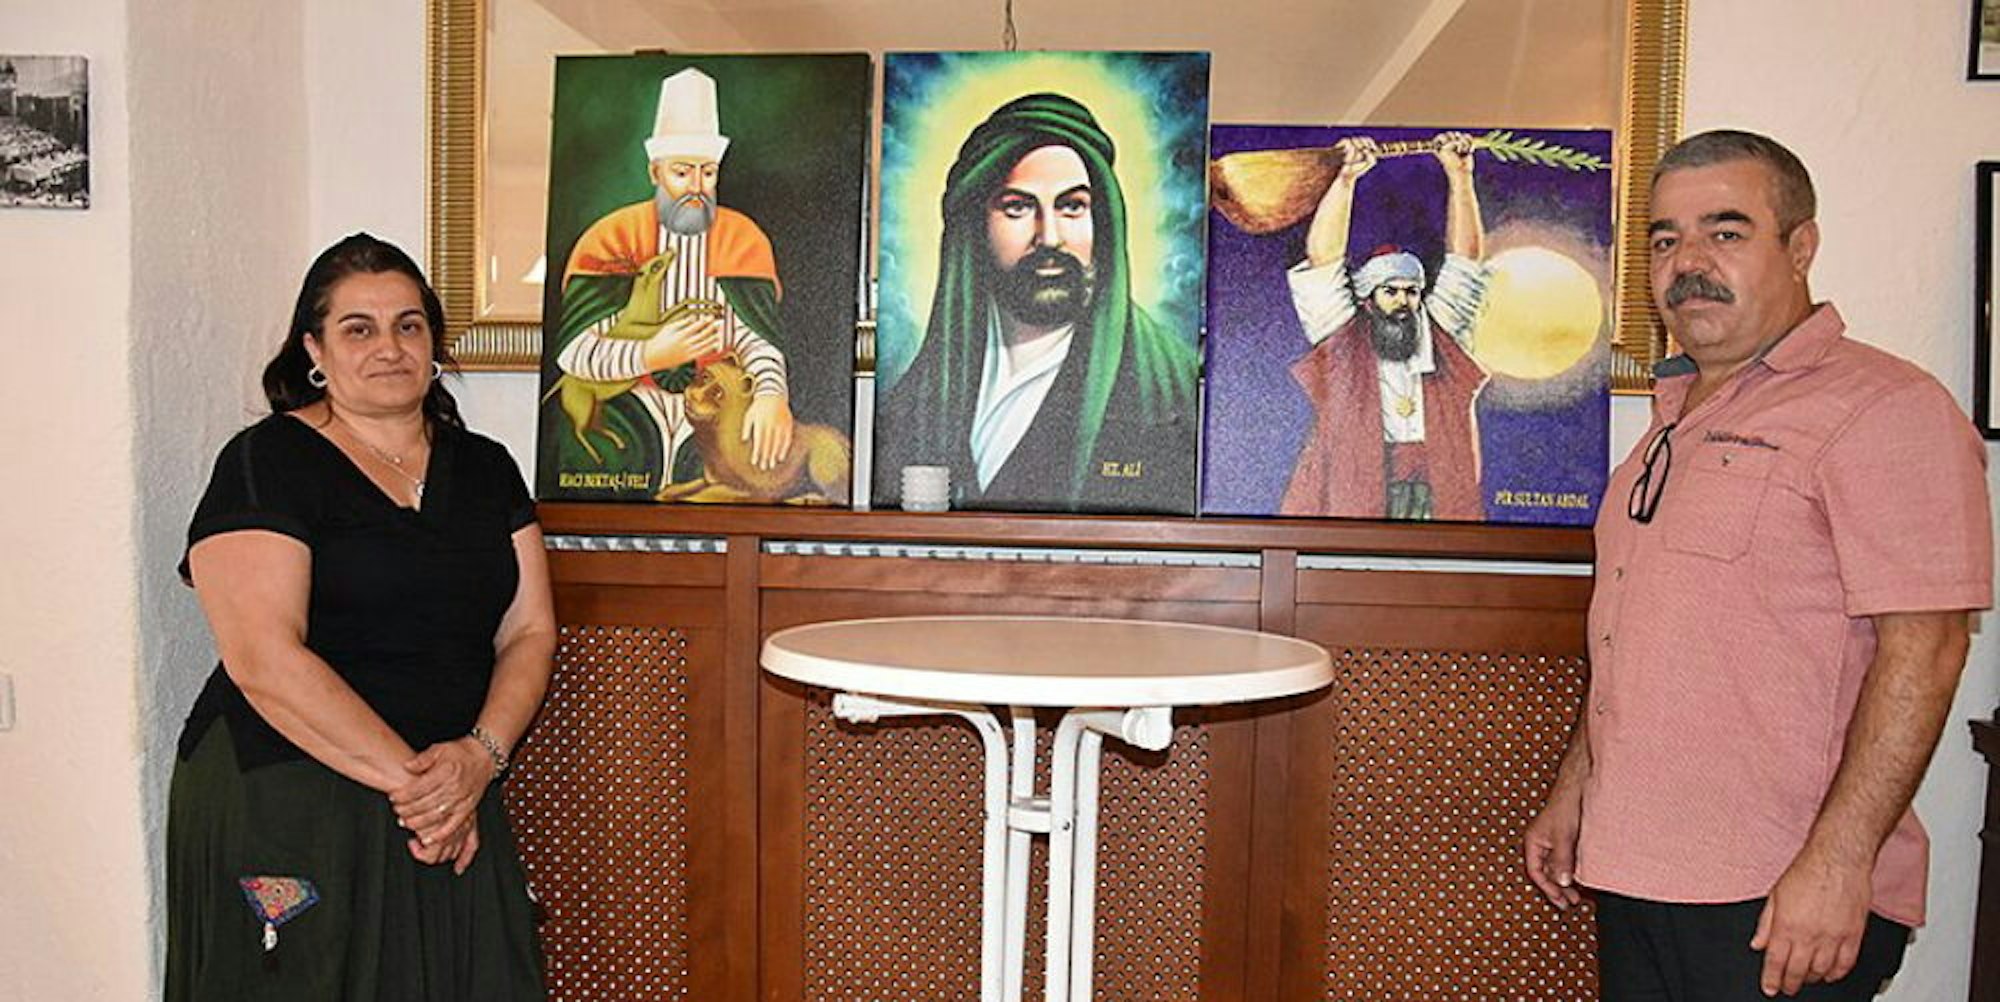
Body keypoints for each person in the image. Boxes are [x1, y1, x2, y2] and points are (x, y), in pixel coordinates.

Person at [1521, 130, 1991, 1000]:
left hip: (1779, 894)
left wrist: (1839, 863)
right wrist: (1576, 784)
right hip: (1638, 870)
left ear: (1801, 247)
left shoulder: (1887, 408)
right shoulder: (1667, 423)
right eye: (1666, 239)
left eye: (1726, 232)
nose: (1688, 262)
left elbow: (1927, 650)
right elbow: (1637, 632)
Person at [166, 234, 553, 1000]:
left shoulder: (487, 468)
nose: (389, 347)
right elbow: (263, 658)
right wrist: (425, 794)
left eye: (409, 325)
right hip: (295, 795)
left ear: (433, 342)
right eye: (358, 328)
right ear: (315, 349)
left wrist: (479, 760)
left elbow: (529, 631)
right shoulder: (266, 461)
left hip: (453, 790)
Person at [875, 92, 1200, 514]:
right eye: (1018, 208)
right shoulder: (918, 398)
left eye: (1072, 207)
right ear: (976, 225)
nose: (1049, 237)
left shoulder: (1171, 388)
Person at [548, 66, 795, 493]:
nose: (697, 188)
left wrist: (771, 393)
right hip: (625, 406)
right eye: (682, 173)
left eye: (708, 173)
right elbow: (575, 350)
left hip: (717, 410)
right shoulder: (611, 237)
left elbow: (755, 340)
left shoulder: (743, 240)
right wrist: (650, 355)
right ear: (655, 173)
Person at [1279, 131, 1491, 520]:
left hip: (1438, 497)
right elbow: (1323, 261)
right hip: (1356, 495)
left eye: (1411, 292)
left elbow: (1465, 262)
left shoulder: (1442, 333)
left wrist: (1460, 176)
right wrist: (1345, 180)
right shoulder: (1342, 336)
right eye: (1390, 291)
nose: (1402, 301)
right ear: (1368, 298)